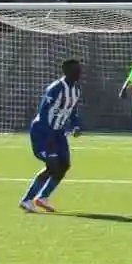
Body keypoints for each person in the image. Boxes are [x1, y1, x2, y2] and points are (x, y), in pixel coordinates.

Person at [21, 59, 84, 213]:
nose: (80, 73)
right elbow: (43, 113)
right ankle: (27, 200)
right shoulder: (55, 88)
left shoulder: (76, 89)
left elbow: (72, 110)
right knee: (53, 165)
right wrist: (48, 138)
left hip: (59, 132)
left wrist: (76, 125)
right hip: (42, 131)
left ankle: (42, 198)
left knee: (64, 165)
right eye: (76, 70)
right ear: (68, 72)